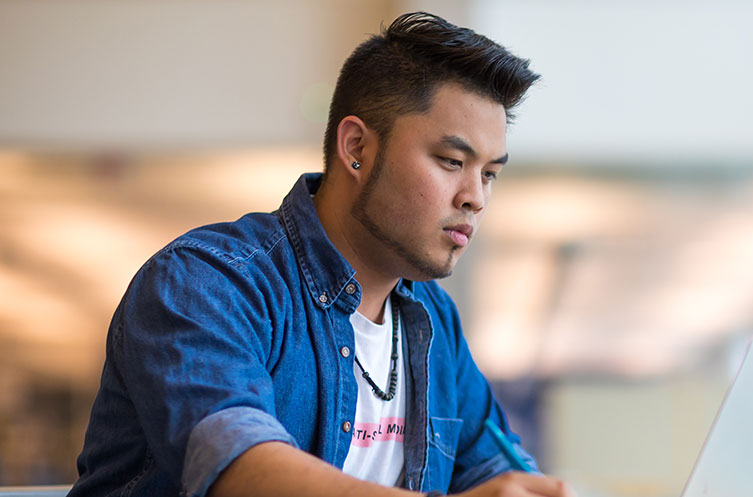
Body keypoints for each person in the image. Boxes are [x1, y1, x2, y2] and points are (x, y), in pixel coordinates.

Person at [68, 12, 574, 497]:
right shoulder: (210, 282)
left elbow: (499, 469)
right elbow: (238, 466)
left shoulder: (435, 321)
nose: (475, 197)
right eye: (451, 161)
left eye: (489, 173)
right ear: (356, 147)